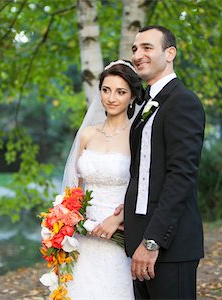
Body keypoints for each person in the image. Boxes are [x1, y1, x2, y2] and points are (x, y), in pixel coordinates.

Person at [119, 25, 206, 299]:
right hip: (138, 241)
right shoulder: (147, 104)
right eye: (134, 49)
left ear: (170, 53)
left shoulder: (183, 102)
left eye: (147, 47)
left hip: (169, 246)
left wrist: (152, 242)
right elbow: (143, 174)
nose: (137, 55)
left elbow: (181, 176)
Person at [61, 60, 143, 299]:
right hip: (83, 235)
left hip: (119, 232)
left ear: (132, 96)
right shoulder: (87, 134)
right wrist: (68, 221)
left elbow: (144, 185)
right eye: (106, 90)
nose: (112, 98)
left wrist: (119, 217)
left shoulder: (137, 136)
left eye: (121, 92)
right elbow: (73, 190)